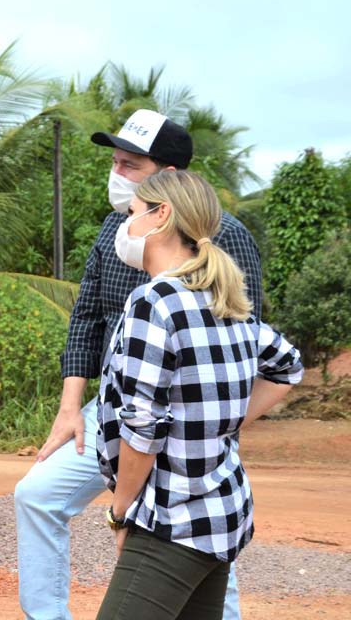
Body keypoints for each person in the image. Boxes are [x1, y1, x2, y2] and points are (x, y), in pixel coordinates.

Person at [14, 109, 263, 620]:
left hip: (178, 426)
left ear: (169, 181)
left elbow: (249, 343)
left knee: (196, 533)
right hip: (113, 412)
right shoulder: (114, 228)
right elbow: (86, 317)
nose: (117, 172)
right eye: (115, 161)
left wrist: (218, 427)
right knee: (36, 495)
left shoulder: (225, 236)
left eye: (130, 165)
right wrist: (69, 409)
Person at [95, 170, 303, 618]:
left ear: (161, 215)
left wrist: (120, 511)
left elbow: (142, 426)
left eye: (131, 214)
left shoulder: (155, 301)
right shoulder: (220, 297)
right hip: (222, 513)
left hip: (171, 520)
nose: (123, 227)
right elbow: (288, 366)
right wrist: (223, 424)